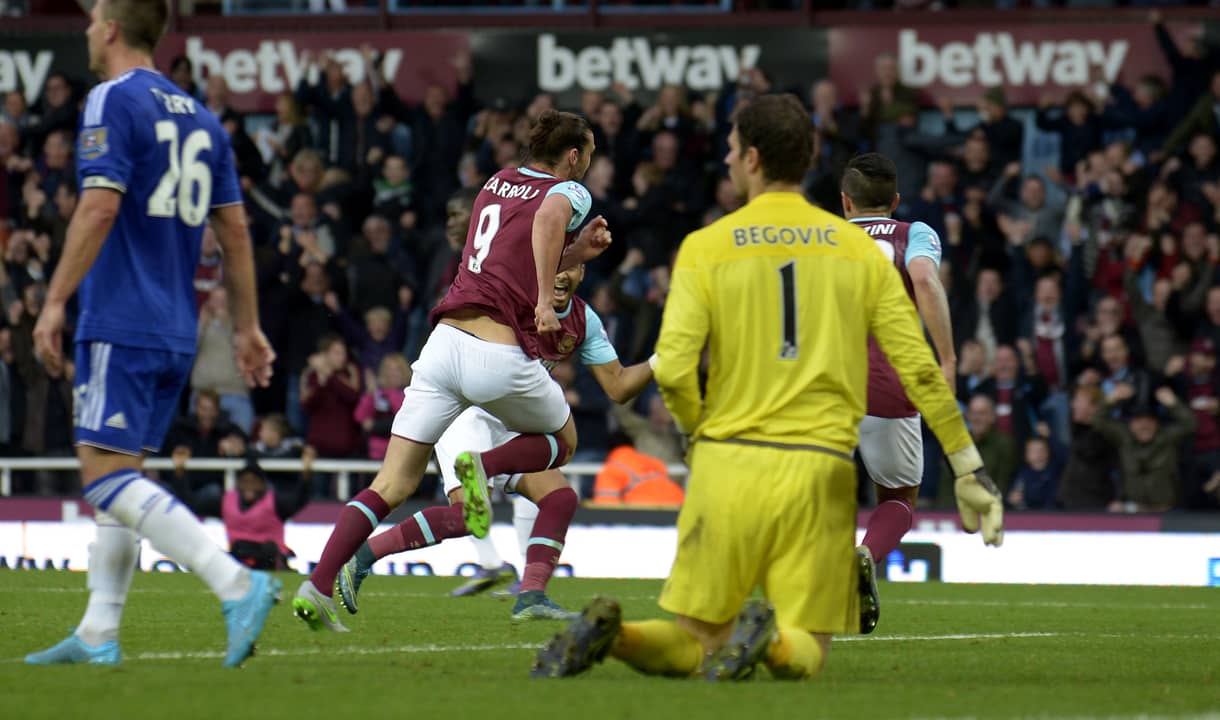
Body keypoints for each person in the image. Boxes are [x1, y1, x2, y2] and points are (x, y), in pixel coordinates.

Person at [532, 94, 1003, 682]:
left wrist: (694, 433)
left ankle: (618, 634)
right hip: (815, 472)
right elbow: (918, 365)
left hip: (727, 465)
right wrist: (966, 465)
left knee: (691, 640)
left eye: (731, 149)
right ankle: (773, 642)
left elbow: (675, 369)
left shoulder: (705, 247)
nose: (727, 159)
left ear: (752, 159)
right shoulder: (855, 250)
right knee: (807, 646)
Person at [25, 0, 279, 668]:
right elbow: (236, 234)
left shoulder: (111, 99)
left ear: (110, 28)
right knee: (124, 479)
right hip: (176, 326)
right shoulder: (202, 118)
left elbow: (101, 204)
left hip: (121, 318)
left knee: (102, 475)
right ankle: (99, 632)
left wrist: (54, 302)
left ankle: (236, 581)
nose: (85, 28)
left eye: (92, 18)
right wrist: (248, 327)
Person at [292, 109, 613, 630]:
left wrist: (578, 253)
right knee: (565, 441)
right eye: (589, 155)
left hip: (443, 345)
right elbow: (550, 221)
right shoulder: (570, 190)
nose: (589, 165)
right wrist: (550, 299)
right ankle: (484, 467)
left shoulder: (495, 183)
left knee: (391, 481)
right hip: (497, 352)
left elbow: (508, 258)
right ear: (573, 155)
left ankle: (317, 585)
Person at [335, 263, 656, 620]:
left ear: (583, 272)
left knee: (560, 497)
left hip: (510, 420)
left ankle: (531, 595)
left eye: (573, 268)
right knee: (467, 517)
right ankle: (363, 555)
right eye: (557, 266)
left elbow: (619, 386)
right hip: (465, 411)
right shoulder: (514, 296)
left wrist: (662, 360)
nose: (562, 275)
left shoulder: (584, 320)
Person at [839, 151, 955, 634]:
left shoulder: (822, 236)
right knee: (899, 495)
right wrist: (946, 358)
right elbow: (925, 279)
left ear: (845, 202)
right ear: (896, 201)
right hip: (889, 378)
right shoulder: (916, 233)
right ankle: (868, 553)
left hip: (822, 383)